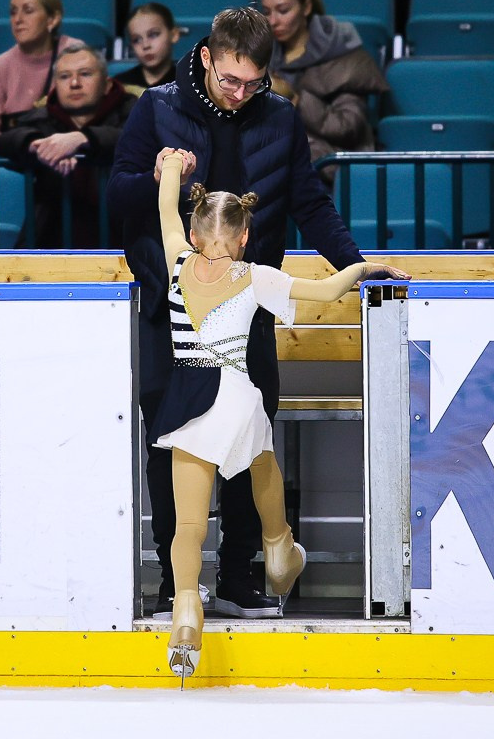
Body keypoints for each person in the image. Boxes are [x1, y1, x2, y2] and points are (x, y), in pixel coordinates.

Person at [107, 6, 408, 623]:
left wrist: (355, 264)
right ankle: (175, 579)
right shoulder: (157, 106)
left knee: (249, 442)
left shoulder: (279, 117)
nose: (241, 94)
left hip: (248, 317)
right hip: (173, 316)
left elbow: (309, 203)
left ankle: (242, 576)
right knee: (172, 448)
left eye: (254, 83)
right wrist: (166, 177)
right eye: (230, 81)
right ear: (209, 57)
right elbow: (116, 195)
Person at [152, 151, 400, 680]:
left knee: (190, 525)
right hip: (238, 394)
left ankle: (185, 612)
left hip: (191, 398)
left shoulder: (177, 262)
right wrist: (366, 267)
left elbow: (164, 214)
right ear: (244, 237)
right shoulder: (255, 275)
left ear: (197, 234)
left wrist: (172, 167)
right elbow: (330, 290)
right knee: (261, 463)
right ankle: (280, 548)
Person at [0, 44, 136, 247]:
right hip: (51, 239)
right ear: (55, 86)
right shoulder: (42, 117)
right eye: (64, 76)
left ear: (107, 85)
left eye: (85, 74)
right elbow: (1, 142)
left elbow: (139, 138)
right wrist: (38, 145)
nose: (74, 83)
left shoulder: (135, 109)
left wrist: (82, 139)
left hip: (124, 239)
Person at [261, 0, 388, 175]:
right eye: (267, 12)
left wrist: (296, 98)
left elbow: (348, 127)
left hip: (327, 170)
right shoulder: (262, 56)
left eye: (283, 10)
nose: (273, 21)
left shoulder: (342, 57)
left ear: (306, 7)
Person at [0, 0, 79, 157]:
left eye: (28, 10)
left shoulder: (76, 55)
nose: (18, 20)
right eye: (13, 12)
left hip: (66, 155)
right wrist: (26, 151)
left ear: (52, 19)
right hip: (12, 159)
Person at [114, 3, 183, 94]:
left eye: (153, 34)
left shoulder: (189, 83)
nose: (145, 45)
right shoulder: (120, 86)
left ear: (174, 34)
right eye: (136, 40)